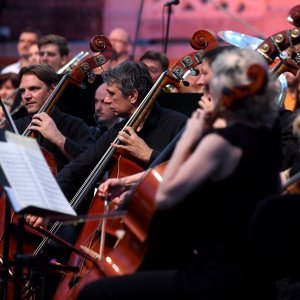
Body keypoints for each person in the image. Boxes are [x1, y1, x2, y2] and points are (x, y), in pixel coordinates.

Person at [77, 48, 282, 300]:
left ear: (227, 84)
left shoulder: (220, 142)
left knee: (96, 293)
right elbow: (196, 176)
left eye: (208, 75)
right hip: (253, 275)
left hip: (216, 276)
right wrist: (131, 180)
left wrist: (191, 134)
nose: (199, 81)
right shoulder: (263, 134)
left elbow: (164, 196)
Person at [11, 64, 94, 172]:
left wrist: (58, 138)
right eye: (22, 91)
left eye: (34, 89)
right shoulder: (14, 127)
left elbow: (90, 166)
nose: (26, 96)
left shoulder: (75, 125)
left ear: (53, 89)